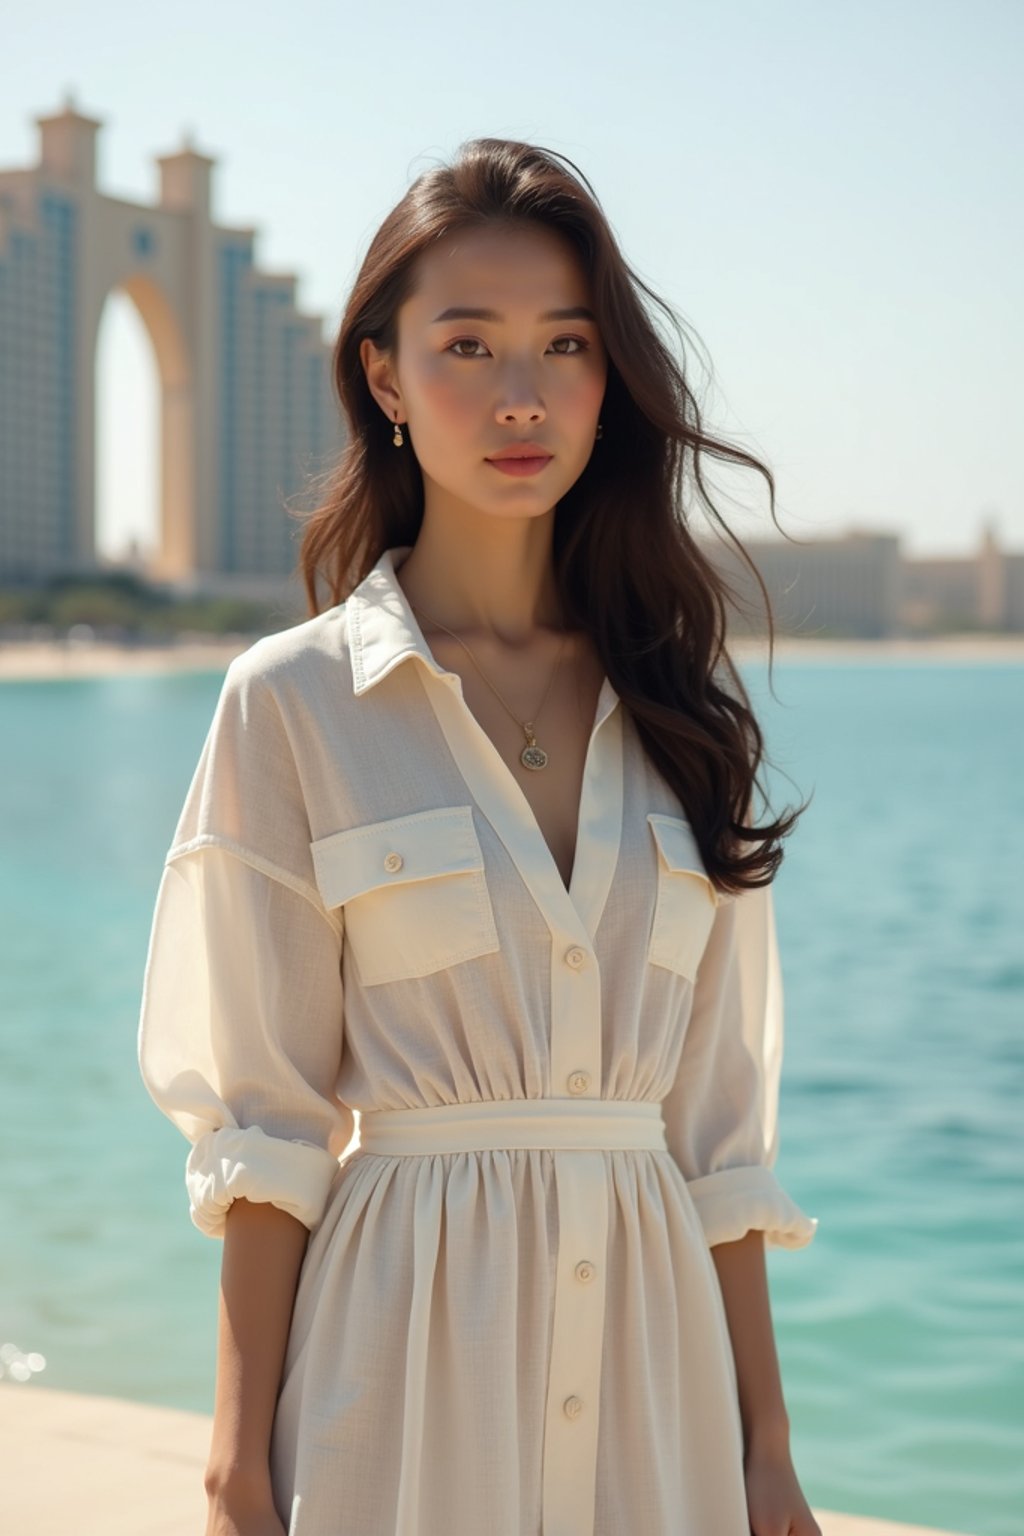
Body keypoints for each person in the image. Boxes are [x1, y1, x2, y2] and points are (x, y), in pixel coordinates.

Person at [137, 136, 820, 1536]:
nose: (523, 396)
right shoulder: (295, 704)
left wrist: (766, 1456)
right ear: (384, 377)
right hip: (394, 1399)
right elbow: (265, 1132)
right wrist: (235, 1466)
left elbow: (721, 1147)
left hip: (659, 1398)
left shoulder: (683, 708)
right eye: (468, 345)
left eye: (565, 345)